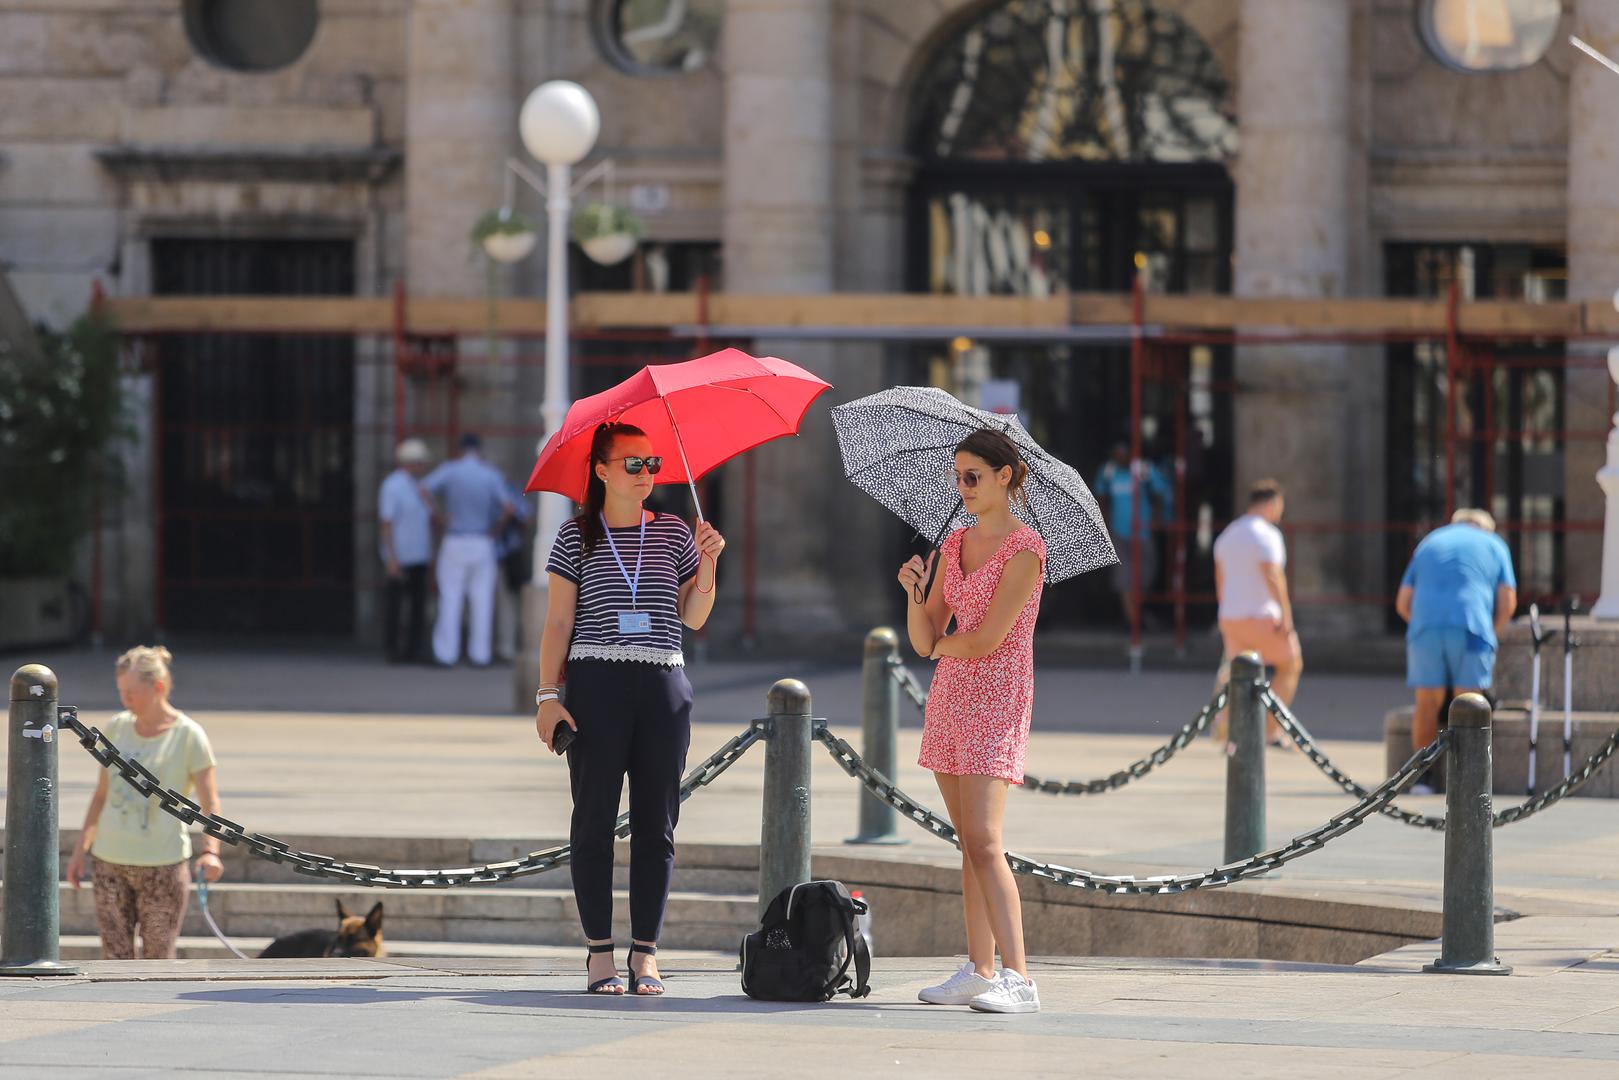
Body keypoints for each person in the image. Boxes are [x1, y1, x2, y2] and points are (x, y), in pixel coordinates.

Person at [533, 421, 725, 996]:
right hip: (596, 683)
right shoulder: (575, 535)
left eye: (652, 464)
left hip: (663, 683)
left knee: (656, 825)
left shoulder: (673, 532)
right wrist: (547, 696)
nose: (646, 474)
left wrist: (709, 564)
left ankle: (646, 953)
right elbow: (558, 622)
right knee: (593, 820)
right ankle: (599, 953)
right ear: (601, 471)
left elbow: (693, 616)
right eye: (633, 464)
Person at [899, 428, 1046, 1015]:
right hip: (951, 697)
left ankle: (1020, 978)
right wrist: (915, 595)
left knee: (985, 841)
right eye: (958, 476)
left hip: (998, 698)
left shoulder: (1026, 549)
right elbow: (923, 638)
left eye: (973, 476)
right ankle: (979, 969)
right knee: (968, 843)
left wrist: (940, 645)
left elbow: (987, 639)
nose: (962, 486)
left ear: (1004, 477)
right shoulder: (953, 541)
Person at [65, 647, 225, 959]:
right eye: (121, 691)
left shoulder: (189, 735)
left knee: (158, 959)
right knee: (115, 957)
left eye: (132, 692)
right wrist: (80, 850)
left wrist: (211, 851)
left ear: (158, 687)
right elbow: (101, 794)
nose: (125, 699)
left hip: (163, 865)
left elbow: (210, 803)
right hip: (109, 862)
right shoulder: (116, 727)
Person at [1397, 508, 1516, 794]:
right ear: (1486, 528)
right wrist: (1491, 630)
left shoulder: (1429, 542)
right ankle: (1467, 778)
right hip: (1472, 626)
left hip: (1426, 627)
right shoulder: (1494, 544)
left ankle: (1423, 778)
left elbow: (1403, 602)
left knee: (1427, 701)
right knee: (1469, 702)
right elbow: (1508, 602)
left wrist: (1425, 625)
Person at [1212, 479, 1301, 744]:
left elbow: (1220, 580)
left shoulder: (1228, 534)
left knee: (1238, 675)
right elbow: (1273, 575)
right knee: (1290, 665)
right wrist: (1287, 616)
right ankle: (1269, 731)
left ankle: (1230, 730)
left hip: (1231, 616)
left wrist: (1225, 610)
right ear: (1272, 504)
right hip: (1263, 617)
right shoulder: (1267, 534)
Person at [423, 433, 513, 667]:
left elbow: (423, 488)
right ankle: (480, 655)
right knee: (482, 599)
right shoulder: (490, 474)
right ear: (479, 450)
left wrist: (438, 516)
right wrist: (495, 530)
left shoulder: (450, 470)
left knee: (450, 597)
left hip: (455, 539)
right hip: (482, 541)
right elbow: (508, 507)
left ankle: (446, 654)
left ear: (461, 449)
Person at [1094, 441, 1171, 630]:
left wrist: (1156, 518)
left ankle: (1138, 615)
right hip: (1119, 532)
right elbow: (1101, 497)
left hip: (1143, 531)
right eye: (1117, 453)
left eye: (1124, 453)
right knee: (1124, 579)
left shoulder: (1144, 470)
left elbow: (1161, 493)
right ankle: (1134, 622)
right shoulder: (1108, 471)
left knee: (1146, 575)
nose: (1120, 457)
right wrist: (1104, 522)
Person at [378, 438, 434, 664]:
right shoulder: (393, 486)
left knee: (417, 606)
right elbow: (386, 523)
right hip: (400, 556)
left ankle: (413, 648)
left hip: (419, 555)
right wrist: (391, 558)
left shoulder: (418, 486)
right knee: (395, 605)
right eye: (421, 462)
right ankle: (393, 650)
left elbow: (431, 517)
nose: (424, 466)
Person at [494, 476, 534, 663]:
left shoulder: (509, 490)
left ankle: (505, 647)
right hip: (501, 553)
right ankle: (502, 647)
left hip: (506, 555)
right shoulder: (507, 490)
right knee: (504, 603)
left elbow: (526, 518)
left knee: (507, 602)